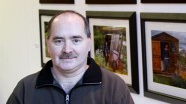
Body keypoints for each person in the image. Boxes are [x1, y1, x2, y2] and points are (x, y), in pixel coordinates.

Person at [6, 10, 134, 104]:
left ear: (89, 43)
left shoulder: (114, 87)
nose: (67, 50)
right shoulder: (25, 89)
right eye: (58, 41)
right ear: (47, 44)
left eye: (76, 40)